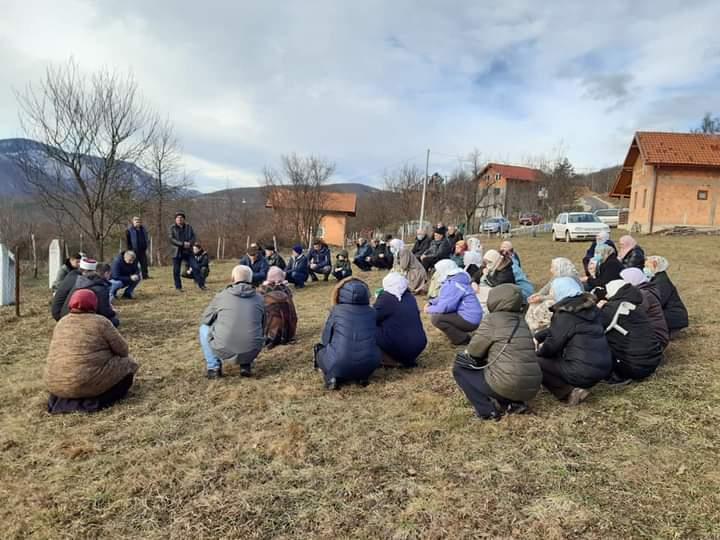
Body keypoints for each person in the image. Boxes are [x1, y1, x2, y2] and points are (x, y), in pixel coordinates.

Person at [453, 284, 542, 420]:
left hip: (508, 383)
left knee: (460, 368)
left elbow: (473, 352)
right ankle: (514, 403)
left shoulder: (493, 320)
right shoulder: (521, 320)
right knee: (502, 368)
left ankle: (487, 411)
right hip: (531, 387)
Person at [45, 289, 139, 414]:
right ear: (94, 304)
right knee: (128, 363)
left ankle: (66, 400)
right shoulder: (101, 322)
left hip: (55, 385)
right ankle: (95, 401)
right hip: (86, 381)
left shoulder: (62, 322)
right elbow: (123, 350)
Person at [534, 277, 612, 405]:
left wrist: (538, 354)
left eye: (553, 290)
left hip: (581, 371)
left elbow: (552, 345)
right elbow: (566, 329)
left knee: (535, 361)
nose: (552, 294)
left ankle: (569, 392)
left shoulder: (565, 314)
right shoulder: (591, 309)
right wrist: (539, 336)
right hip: (604, 367)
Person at [199, 265, 265, 379]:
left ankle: (213, 367)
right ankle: (246, 365)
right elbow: (264, 323)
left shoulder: (221, 296)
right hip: (252, 349)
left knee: (203, 328)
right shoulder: (260, 298)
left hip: (224, 348)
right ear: (250, 279)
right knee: (253, 326)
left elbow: (206, 319)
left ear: (233, 278)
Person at [314, 277, 381, 390]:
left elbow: (325, 339)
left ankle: (332, 377)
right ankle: (361, 377)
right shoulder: (372, 312)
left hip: (339, 362)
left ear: (341, 293)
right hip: (370, 364)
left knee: (319, 350)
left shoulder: (336, 310)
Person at [599, 280, 663, 384]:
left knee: (597, 341)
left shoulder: (612, 308)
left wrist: (597, 309)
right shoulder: (635, 307)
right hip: (652, 360)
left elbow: (594, 328)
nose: (606, 295)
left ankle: (618, 374)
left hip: (634, 367)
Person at [374, 273, 427, 368]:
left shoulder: (387, 298)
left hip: (402, 347)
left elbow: (372, 318)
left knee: (367, 328)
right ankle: (405, 359)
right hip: (419, 344)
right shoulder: (410, 297)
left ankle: (390, 361)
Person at [426, 262, 483, 345]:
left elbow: (445, 307)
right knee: (441, 315)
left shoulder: (453, 284)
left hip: (469, 320)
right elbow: (446, 297)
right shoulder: (458, 280)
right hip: (472, 317)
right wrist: (432, 302)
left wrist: (429, 309)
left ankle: (462, 339)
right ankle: (459, 333)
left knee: (437, 318)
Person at [52, 259, 119, 327]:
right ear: (106, 273)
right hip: (77, 322)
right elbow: (104, 312)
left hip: (64, 317)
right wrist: (113, 312)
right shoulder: (100, 287)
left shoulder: (79, 281)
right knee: (114, 322)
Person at [526, 258, 582, 333]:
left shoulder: (569, 278)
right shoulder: (559, 275)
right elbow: (547, 286)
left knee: (546, 305)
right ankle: (532, 329)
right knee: (534, 304)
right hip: (556, 300)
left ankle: (542, 330)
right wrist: (538, 294)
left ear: (559, 268)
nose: (550, 270)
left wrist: (542, 298)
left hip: (568, 304)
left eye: (552, 268)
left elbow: (559, 297)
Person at [620, 267, 670, 349]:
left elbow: (632, 314)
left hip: (655, 339)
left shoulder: (643, 295)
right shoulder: (646, 290)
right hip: (655, 335)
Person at [644, 256, 689, 337]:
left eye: (647, 266)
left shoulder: (661, 282)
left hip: (674, 317)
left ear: (654, 265)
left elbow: (657, 302)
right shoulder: (657, 278)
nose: (645, 269)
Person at [258, 267, 298, 348]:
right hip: (289, 333)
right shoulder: (287, 291)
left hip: (268, 334)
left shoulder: (261, 291)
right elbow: (294, 315)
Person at [169, 212, 205, 291]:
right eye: (177, 218)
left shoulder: (189, 227)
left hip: (188, 251)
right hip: (177, 251)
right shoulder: (172, 228)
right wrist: (182, 244)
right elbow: (171, 239)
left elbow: (193, 237)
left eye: (181, 218)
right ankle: (178, 287)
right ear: (175, 220)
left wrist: (190, 243)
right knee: (176, 270)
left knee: (196, 267)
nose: (179, 219)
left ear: (184, 219)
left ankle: (201, 285)